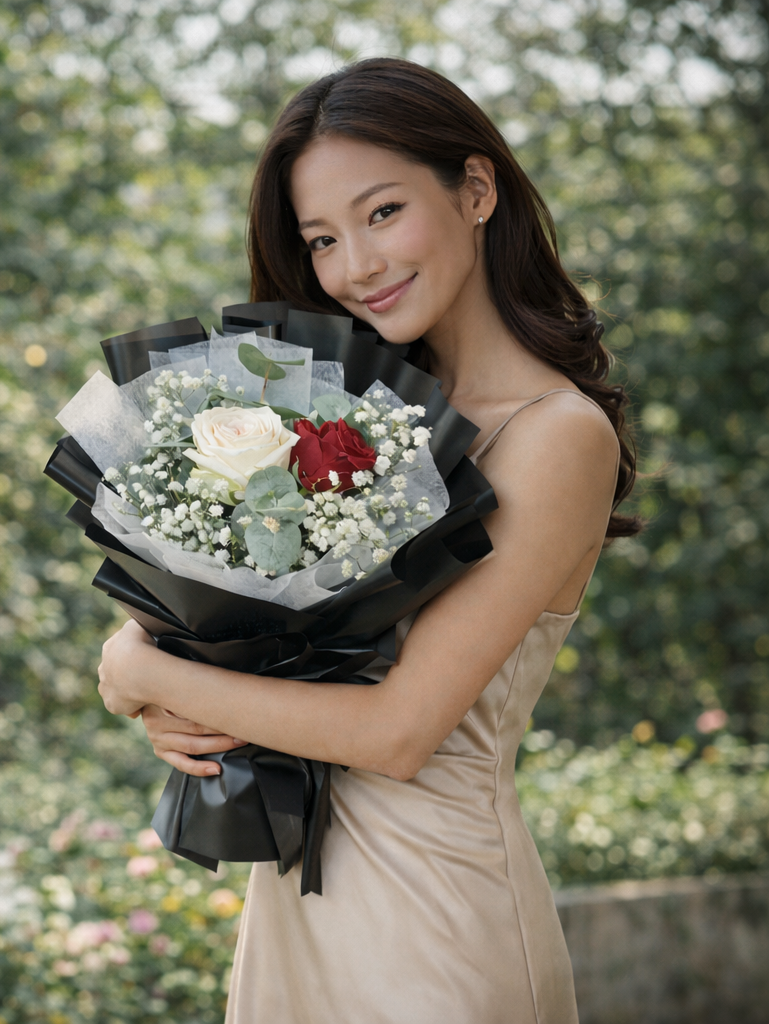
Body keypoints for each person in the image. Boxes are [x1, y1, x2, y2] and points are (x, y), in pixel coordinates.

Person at [97, 58, 640, 1023]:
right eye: (322, 239)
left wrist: (144, 674)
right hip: (294, 904)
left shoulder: (557, 436)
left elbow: (397, 733)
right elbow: (262, 640)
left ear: (476, 190)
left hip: (437, 924)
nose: (356, 266)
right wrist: (151, 658)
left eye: (382, 212)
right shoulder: (353, 420)